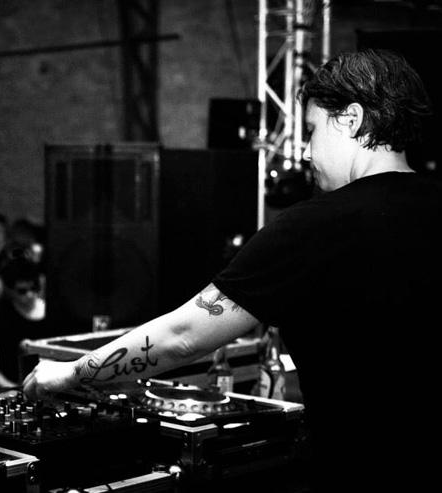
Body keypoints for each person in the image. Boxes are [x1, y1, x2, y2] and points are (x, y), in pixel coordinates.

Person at [22, 49, 441, 491]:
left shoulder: (315, 226)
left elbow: (184, 336)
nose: (306, 153)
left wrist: (71, 371)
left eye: (312, 130)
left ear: (351, 119)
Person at [0, 257, 46, 389]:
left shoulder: (51, 312)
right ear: (9, 290)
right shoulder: (0, 316)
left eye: (34, 288)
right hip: (12, 388)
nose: (30, 295)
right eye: (22, 291)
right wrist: (14, 389)